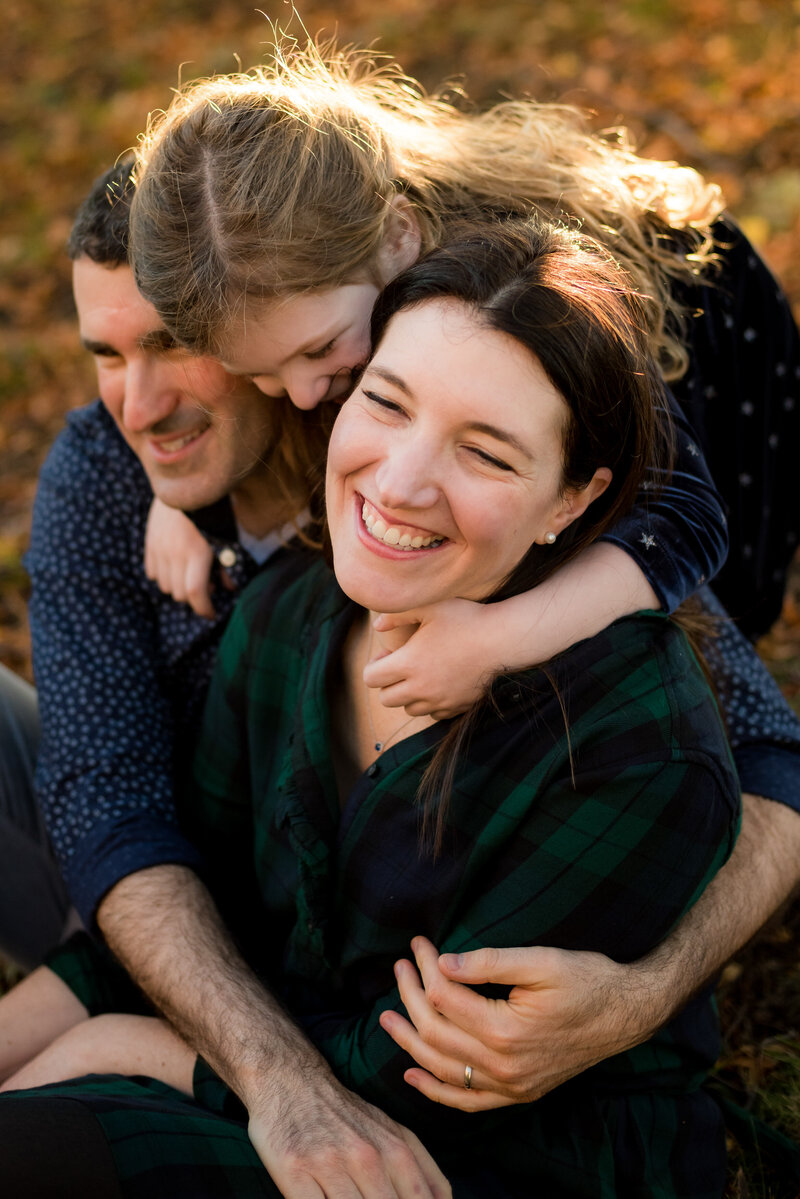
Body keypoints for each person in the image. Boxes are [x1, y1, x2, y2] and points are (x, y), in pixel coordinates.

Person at [0, 220, 741, 1197]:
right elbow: (197, 926)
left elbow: (429, 1074)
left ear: (571, 497)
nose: (397, 482)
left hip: (473, 1157)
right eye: (385, 403)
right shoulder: (282, 617)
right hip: (270, 1088)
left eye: (483, 453)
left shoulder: (631, 744)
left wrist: (131, 1044)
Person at [124, 41, 800, 1110]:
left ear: (400, 241)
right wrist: (176, 484)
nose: (299, 396)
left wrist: (500, 636)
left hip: (702, 401)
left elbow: (689, 531)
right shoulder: (311, 293)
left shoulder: (538, 315)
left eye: (319, 357)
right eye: (259, 373)